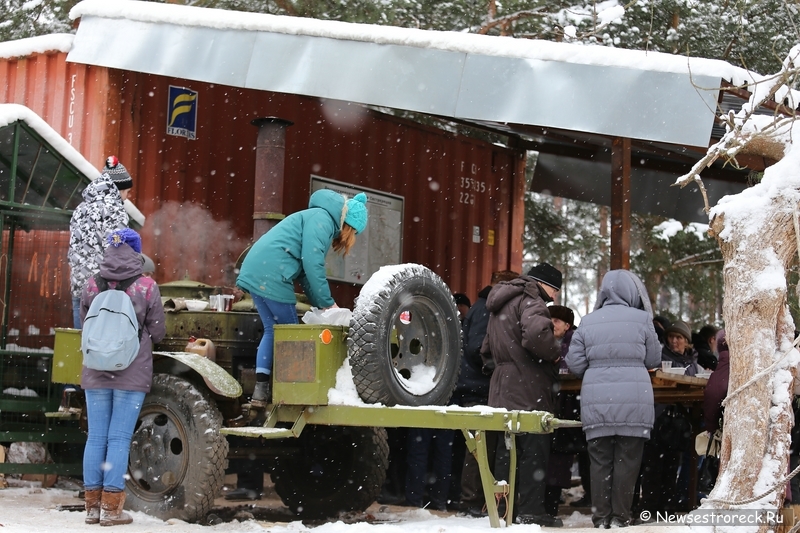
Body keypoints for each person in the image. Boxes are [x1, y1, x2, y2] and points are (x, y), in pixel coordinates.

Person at [236, 189, 368, 406]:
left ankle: (261, 392)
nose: (348, 240)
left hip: (256, 271)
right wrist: (327, 302)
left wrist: (324, 304)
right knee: (293, 337)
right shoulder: (323, 220)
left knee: (273, 330)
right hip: (272, 274)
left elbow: (305, 274)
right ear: (349, 226)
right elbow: (312, 264)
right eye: (353, 234)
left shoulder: (315, 216)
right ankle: (291, 395)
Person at [80, 228, 166, 526]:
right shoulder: (145, 286)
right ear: (137, 251)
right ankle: (112, 509)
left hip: (95, 369)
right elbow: (158, 331)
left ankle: (91, 507)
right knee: (118, 438)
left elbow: (85, 324)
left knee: (96, 437)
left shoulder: (92, 284)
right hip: (132, 371)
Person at [566, 270, 661, 528]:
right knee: (628, 463)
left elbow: (574, 364)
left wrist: (598, 366)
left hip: (597, 402)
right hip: (635, 401)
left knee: (599, 463)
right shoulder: (642, 319)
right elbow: (653, 359)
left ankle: (600, 518)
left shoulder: (588, 321)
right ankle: (620, 517)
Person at [481, 263, 563, 527]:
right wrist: (554, 354)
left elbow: (485, 349)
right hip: (529, 388)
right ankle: (530, 510)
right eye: (556, 290)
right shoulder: (532, 300)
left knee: (506, 451)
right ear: (546, 285)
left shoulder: (500, 302)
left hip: (502, 386)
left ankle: (505, 508)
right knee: (533, 451)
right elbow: (537, 336)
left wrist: (504, 368)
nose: (555, 297)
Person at [452, 270, 518, 516]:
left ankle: (475, 500)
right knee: (479, 449)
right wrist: (496, 368)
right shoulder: (485, 309)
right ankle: (470, 502)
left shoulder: (486, 306)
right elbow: (475, 347)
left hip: (480, 386)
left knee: (482, 448)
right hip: (478, 387)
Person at [68, 156, 132, 329]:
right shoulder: (114, 210)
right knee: (102, 343)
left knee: (81, 340)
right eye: (126, 192)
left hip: (79, 284)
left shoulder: (80, 208)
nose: (127, 197)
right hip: (103, 286)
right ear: (117, 190)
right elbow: (116, 248)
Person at [545, 305, 581, 519]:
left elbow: (574, 367)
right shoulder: (544, 340)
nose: (552, 324)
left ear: (567, 325)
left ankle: (550, 507)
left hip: (566, 406)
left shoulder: (573, 344)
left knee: (558, 459)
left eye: (557, 321)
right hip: (549, 403)